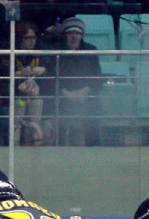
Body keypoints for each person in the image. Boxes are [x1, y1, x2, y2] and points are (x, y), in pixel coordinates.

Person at [53, 17, 103, 146]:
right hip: (63, 95)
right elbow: (52, 76)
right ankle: (59, 147)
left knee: (94, 105)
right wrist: (64, 92)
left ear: (82, 35)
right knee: (56, 107)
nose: (74, 37)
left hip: (85, 93)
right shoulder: (57, 51)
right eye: (70, 33)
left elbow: (97, 76)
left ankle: (93, 146)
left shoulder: (91, 50)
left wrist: (85, 91)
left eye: (77, 33)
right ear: (65, 35)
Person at [13, 21, 52, 146]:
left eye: (33, 37)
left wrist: (43, 69)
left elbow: (51, 67)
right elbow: (4, 72)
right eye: (28, 38)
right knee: (16, 124)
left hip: (35, 95)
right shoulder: (13, 53)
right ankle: (15, 144)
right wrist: (19, 73)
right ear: (20, 39)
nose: (31, 41)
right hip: (17, 94)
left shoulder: (40, 53)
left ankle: (35, 145)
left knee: (35, 121)